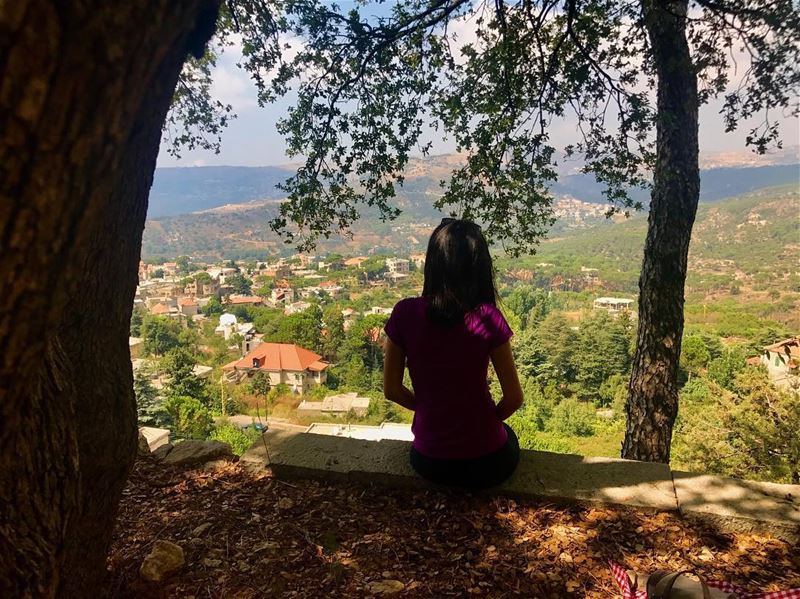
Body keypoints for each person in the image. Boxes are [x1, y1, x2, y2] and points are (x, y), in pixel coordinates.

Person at [383, 218, 524, 489]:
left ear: (433, 262)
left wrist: (430, 411)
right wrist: (481, 423)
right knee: (508, 436)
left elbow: (391, 390)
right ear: (479, 266)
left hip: (429, 461)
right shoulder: (488, 317)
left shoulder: (404, 313)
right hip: (488, 462)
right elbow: (514, 398)